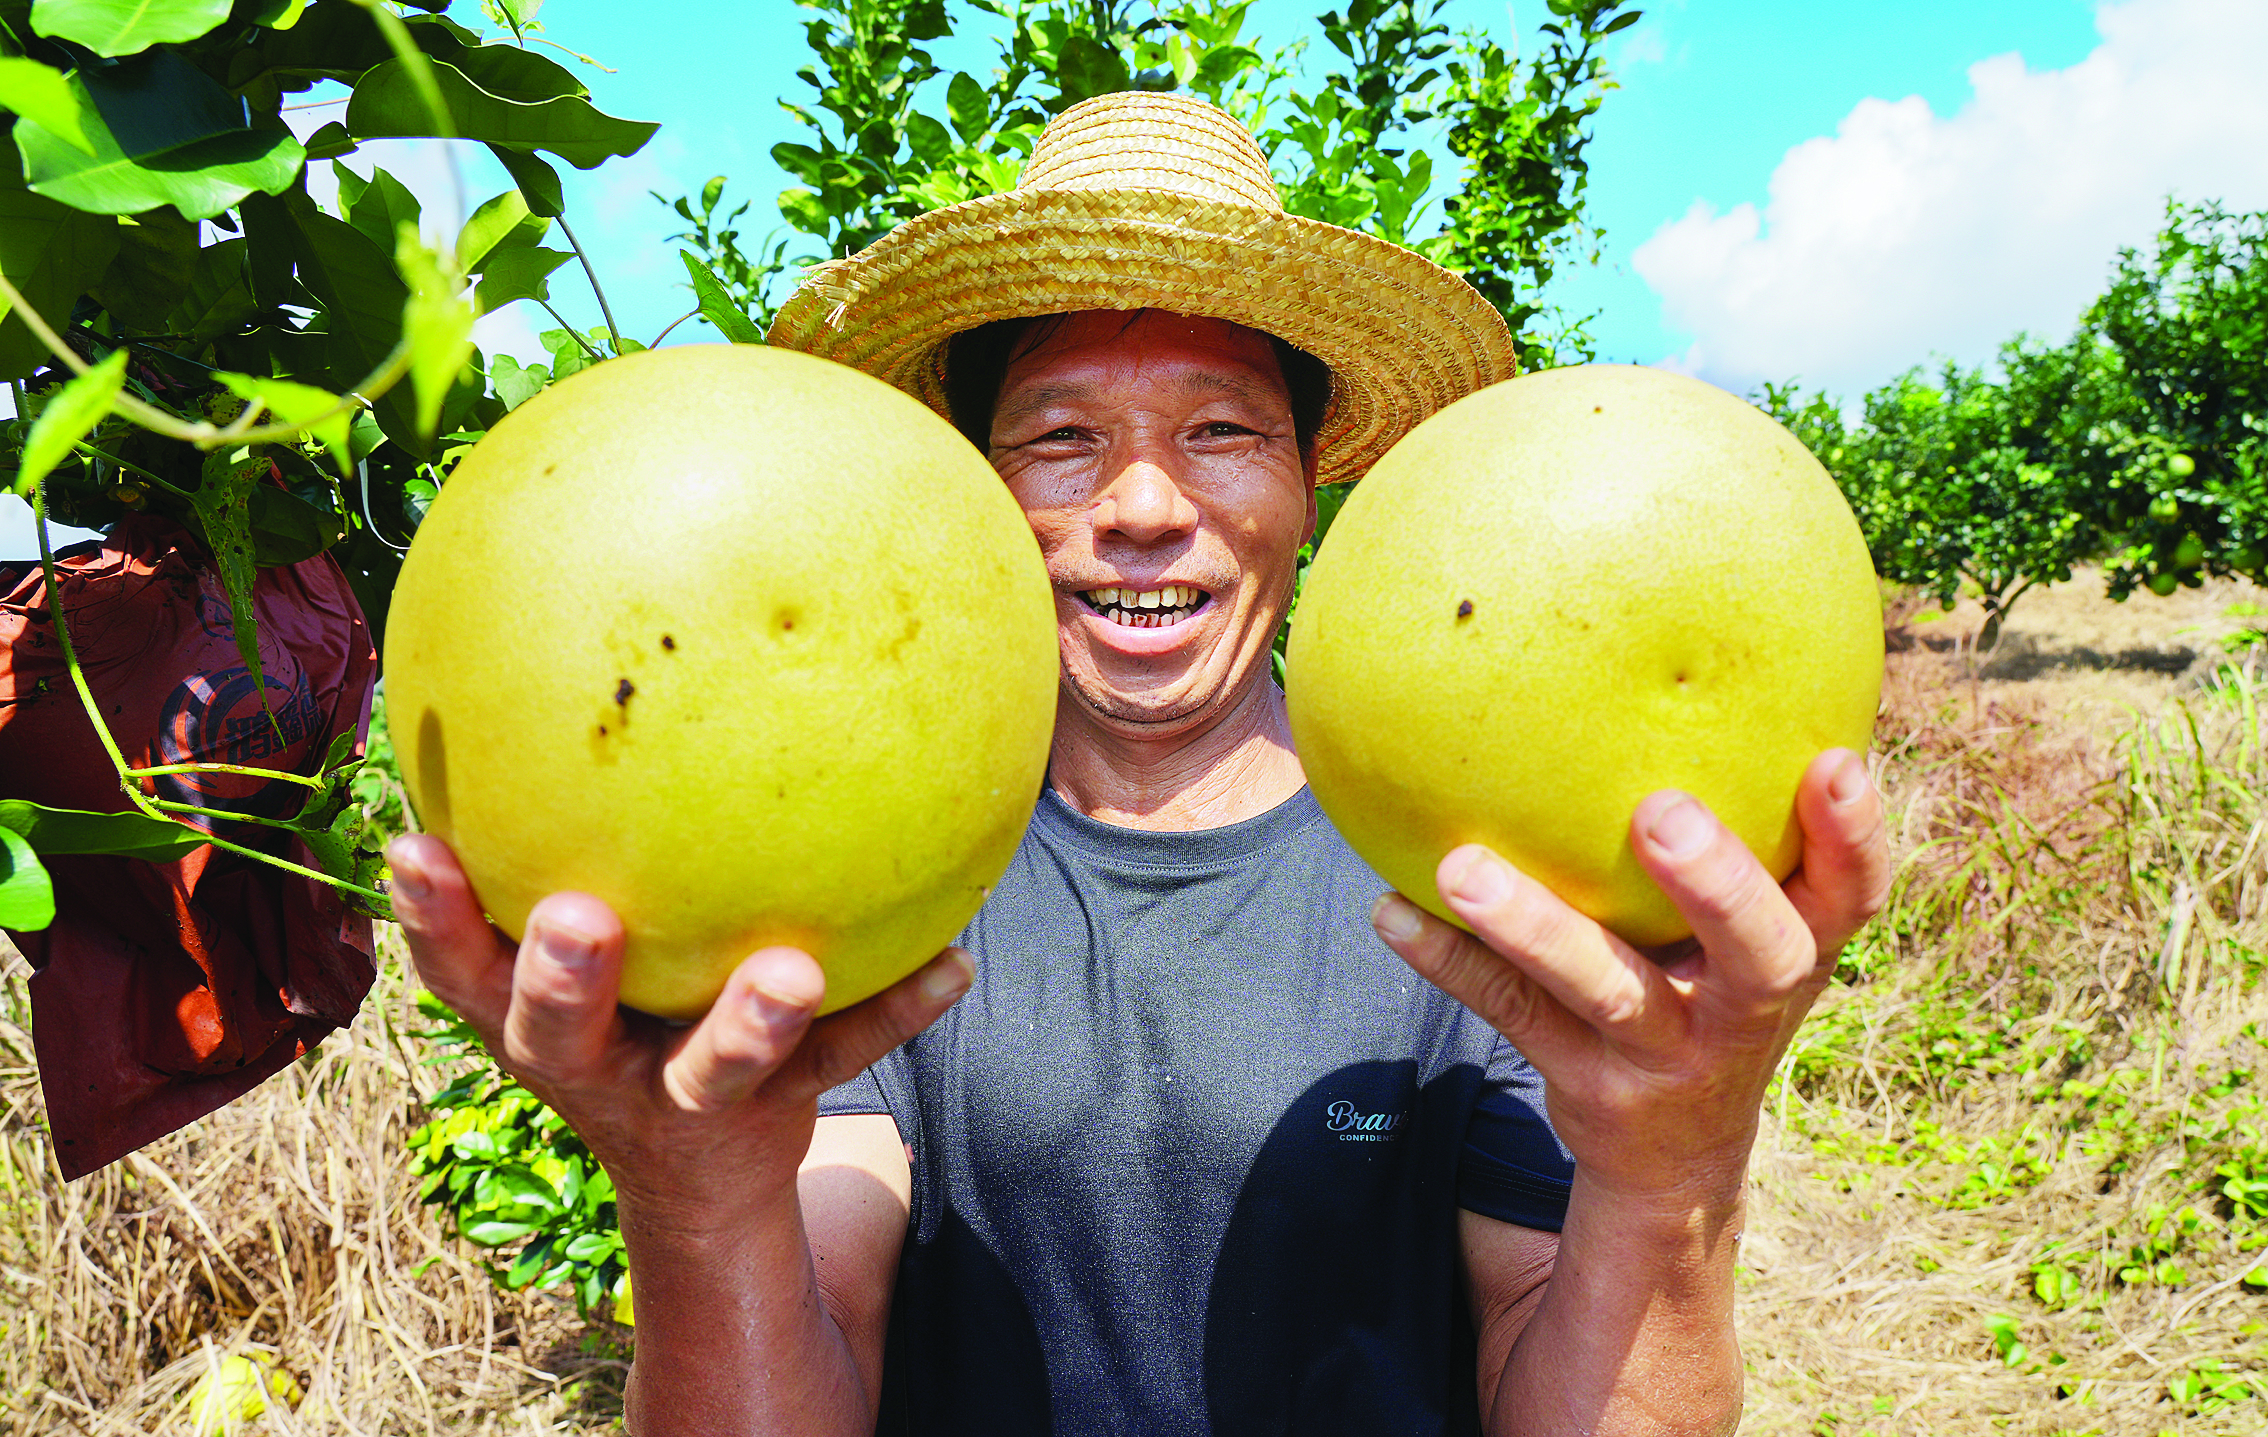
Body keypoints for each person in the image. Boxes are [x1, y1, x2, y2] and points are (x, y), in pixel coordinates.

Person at [388, 93, 1890, 1435]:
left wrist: (1673, 1173)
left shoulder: (1485, 879)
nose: (1146, 506)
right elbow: (814, 1346)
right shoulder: (858, 884)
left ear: (1312, 492)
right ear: (968, 504)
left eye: (1225, 428)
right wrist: (691, 1199)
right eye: (1059, 437)